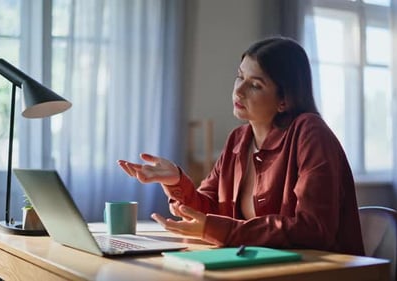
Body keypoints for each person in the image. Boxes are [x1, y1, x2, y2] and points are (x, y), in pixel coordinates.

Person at [117, 36, 365, 256]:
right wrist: (176, 183)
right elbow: (211, 211)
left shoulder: (310, 132)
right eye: (240, 76)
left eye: (256, 85)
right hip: (259, 268)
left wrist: (217, 228)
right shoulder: (239, 139)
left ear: (284, 100)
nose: (239, 90)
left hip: (317, 271)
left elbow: (313, 229)